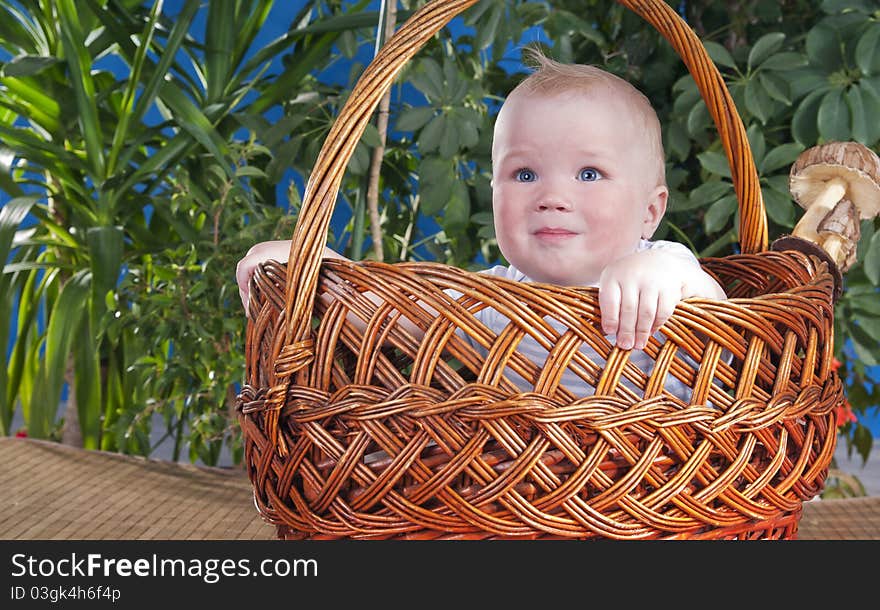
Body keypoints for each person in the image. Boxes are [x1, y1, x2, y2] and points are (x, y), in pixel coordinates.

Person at [236, 47, 727, 399]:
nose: (552, 197)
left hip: (663, 486)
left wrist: (667, 279)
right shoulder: (494, 301)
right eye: (524, 173)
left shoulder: (662, 266)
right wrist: (318, 267)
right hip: (525, 496)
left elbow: (725, 327)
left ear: (650, 211)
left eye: (589, 173)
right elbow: (387, 311)